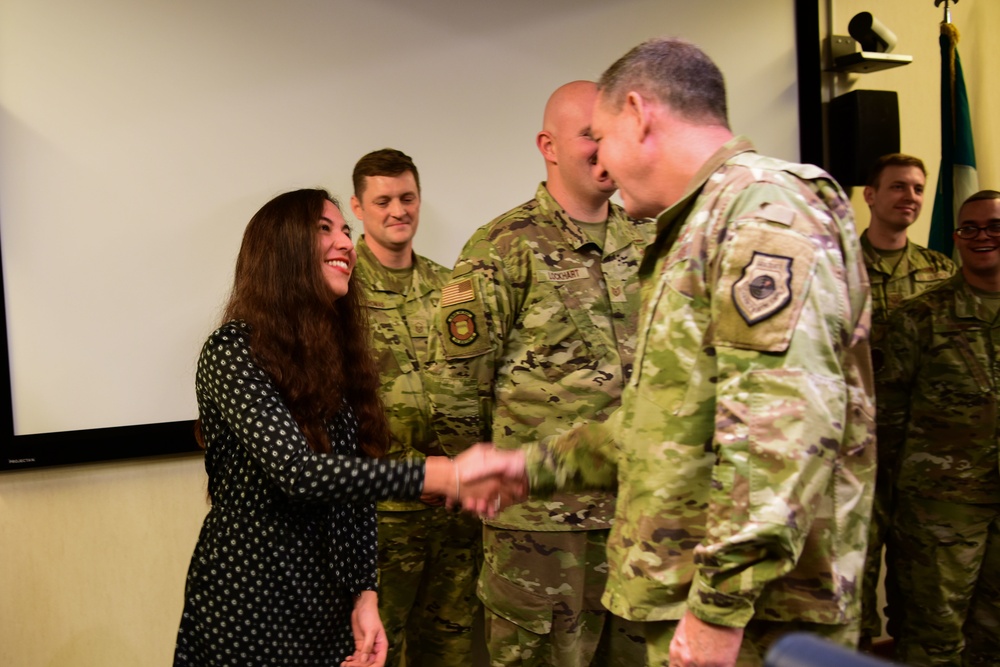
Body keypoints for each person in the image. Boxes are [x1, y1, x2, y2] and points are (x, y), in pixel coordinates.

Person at [470, 38, 877, 667]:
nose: (600, 162)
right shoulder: (701, 226)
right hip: (709, 606)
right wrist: (531, 466)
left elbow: (779, 433)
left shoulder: (763, 211)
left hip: (757, 620)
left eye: (601, 138)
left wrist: (717, 610)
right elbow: (664, 425)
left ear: (638, 115)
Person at [172, 188, 516, 667]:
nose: (345, 244)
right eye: (324, 229)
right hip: (249, 604)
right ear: (283, 250)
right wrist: (435, 474)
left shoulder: (335, 354)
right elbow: (301, 473)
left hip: (328, 607)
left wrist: (365, 594)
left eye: (345, 231)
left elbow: (351, 489)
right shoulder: (232, 350)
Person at [426, 80, 654, 666]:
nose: (603, 148)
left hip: (641, 519)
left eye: (611, 134)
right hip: (541, 531)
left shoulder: (651, 239)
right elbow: (454, 389)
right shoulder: (503, 248)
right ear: (547, 145)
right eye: (587, 135)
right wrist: (496, 476)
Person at [349, 149, 482, 666]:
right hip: (380, 518)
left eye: (407, 198)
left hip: (453, 514)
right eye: (382, 201)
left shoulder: (451, 289)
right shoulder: (337, 293)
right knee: (375, 651)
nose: (397, 210)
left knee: (449, 650)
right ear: (359, 208)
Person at [879, 190, 1000, 666]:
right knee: (933, 635)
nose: (981, 236)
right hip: (940, 510)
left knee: (993, 637)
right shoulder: (919, 317)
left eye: (993, 225)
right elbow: (887, 419)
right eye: (968, 228)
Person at [857, 153, 955, 646]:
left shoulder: (941, 270)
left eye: (918, 188)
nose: (910, 198)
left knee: (922, 590)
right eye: (898, 187)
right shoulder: (837, 268)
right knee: (853, 587)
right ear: (870, 195)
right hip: (857, 451)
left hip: (925, 453)